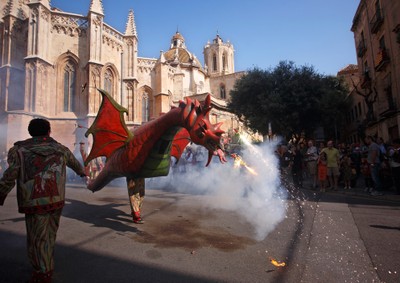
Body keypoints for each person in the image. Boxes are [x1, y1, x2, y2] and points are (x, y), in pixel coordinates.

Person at [0, 118, 86, 283]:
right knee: (49, 235)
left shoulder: (19, 151)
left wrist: (1, 193)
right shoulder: (60, 149)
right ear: (49, 131)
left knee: (37, 238)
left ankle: (43, 273)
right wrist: (83, 174)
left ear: (30, 132)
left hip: (34, 201)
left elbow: (10, 176)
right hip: (56, 199)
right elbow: (76, 165)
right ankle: (46, 266)